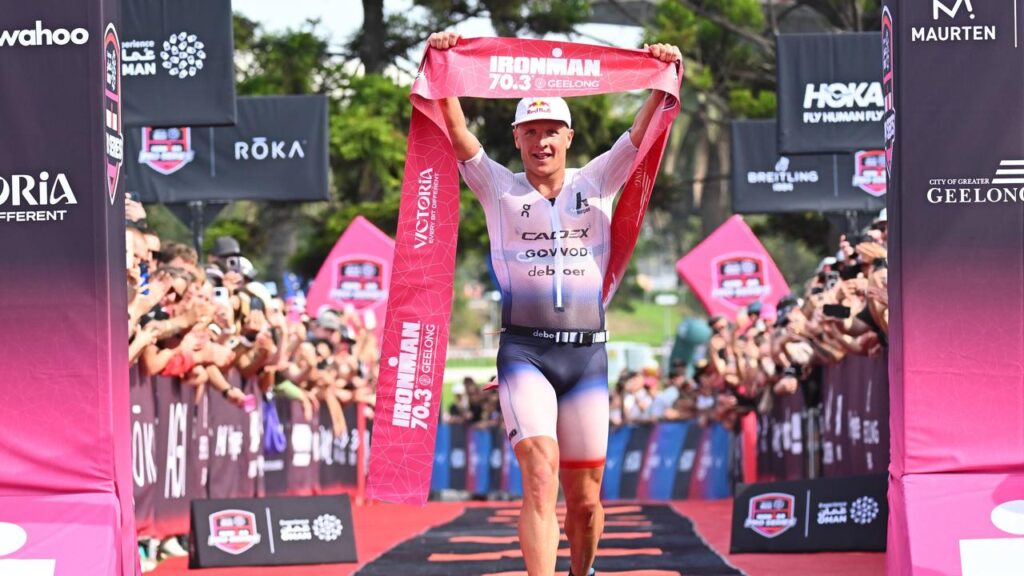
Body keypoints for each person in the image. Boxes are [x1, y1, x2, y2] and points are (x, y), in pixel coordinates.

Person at [427, 30, 681, 576]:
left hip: (587, 360)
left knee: (586, 503)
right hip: (526, 356)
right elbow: (456, 130)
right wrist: (444, 64)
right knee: (540, 475)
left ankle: (581, 572)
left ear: (568, 136)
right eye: (530, 132)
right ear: (517, 139)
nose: (541, 142)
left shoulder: (596, 181)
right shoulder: (499, 189)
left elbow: (638, 138)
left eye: (551, 132)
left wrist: (662, 80)